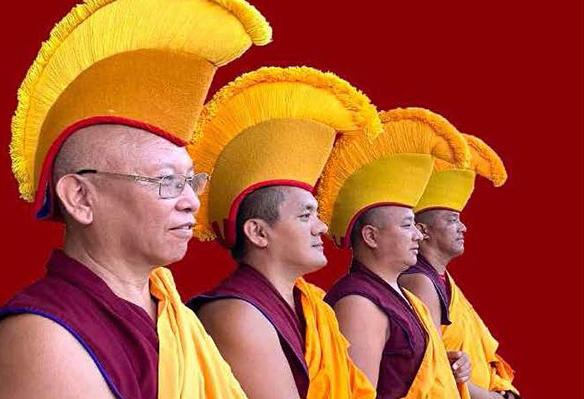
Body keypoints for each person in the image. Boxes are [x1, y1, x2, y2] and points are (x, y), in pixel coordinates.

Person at [0, 0, 271, 397]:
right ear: (80, 197)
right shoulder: (44, 338)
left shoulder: (173, 316)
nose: (191, 201)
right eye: (167, 180)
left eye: (192, 181)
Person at [187, 66, 380, 399]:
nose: (321, 226)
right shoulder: (237, 313)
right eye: (306, 215)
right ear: (259, 232)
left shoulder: (311, 307)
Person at [318, 108, 473, 399]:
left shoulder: (408, 299)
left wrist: (445, 364)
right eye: (407, 225)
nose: (417, 234)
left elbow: (409, 371)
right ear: (371, 236)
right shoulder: (357, 302)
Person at [400, 133, 520, 399]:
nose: (463, 227)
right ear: (423, 230)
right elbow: (434, 369)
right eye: (452, 219)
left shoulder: (443, 279)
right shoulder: (420, 282)